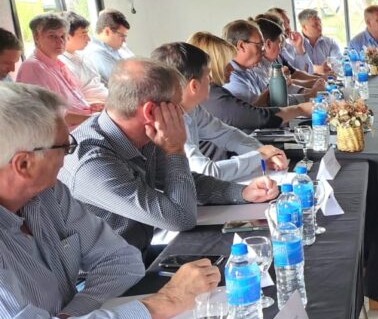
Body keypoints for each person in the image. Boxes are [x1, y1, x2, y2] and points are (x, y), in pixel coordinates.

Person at [0, 82, 219, 319]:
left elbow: (122, 260)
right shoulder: (85, 167)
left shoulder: (47, 195)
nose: (69, 153)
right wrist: (164, 302)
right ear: (24, 164)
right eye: (64, 144)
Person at [57, 59, 279, 254]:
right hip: (106, 283)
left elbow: (184, 179)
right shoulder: (92, 163)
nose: (183, 114)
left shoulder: (139, 132)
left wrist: (242, 192)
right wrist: (175, 149)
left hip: (137, 256)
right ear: (151, 112)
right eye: (177, 106)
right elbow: (180, 218)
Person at [151, 41, 288, 182]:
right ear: (194, 86)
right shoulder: (166, 122)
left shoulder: (192, 108)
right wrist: (258, 157)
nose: (211, 80)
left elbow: (227, 134)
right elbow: (206, 172)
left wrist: (264, 152)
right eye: (207, 75)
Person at [188, 31, 311, 133]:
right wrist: (301, 109)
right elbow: (259, 117)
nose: (231, 68)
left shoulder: (221, 88)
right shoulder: (214, 96)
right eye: (226, 63)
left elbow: (251, 110)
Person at [13, 13, 99, 129]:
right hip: (66, 137)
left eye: (63, 36)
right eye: (52, 36)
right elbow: (54, 117)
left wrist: (89, 107)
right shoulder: (34, 67)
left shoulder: (57, 63)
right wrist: (94, 118)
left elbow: (70, 104)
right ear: (36, 37)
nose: (60, 42)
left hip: (81, 127)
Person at [252, 15, 324, 103]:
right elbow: (271, 101)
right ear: (268, 44)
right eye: (279, 42)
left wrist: (311, 91)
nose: (281, 46)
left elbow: (296, 75)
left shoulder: (274, 58)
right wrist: (310, 94)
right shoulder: (256, 68)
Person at [60, 12, 108, 104]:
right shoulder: (62, 64)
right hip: (96, 110)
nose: (89, 39)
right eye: (83, 34)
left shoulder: (84, 56)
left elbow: (98, 85)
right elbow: (74, 101)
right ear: (67, 37)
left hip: (109, 102)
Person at [82, 9, 131, 84]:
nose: (124, 41)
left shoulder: (116, 47)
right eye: (122, 36)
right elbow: (123, 83)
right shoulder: (96, 53)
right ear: (107, 31)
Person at [295, 9, 343, 74]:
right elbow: (297, 68)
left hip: (330, 80)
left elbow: (339, 63)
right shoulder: (295, 45)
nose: (319, 27)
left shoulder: (330, 42)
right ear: (304, 27)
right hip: (305, 83)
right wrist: (316, 69)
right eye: (315, 25)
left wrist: (330, 65)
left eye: (320, 24)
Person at [267, 6, 312, 73]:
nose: (287, 27)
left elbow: (308, 71)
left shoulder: (290, 46)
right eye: (282, 23)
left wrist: (299, 48)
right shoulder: (272, 52)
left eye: (288, 22)